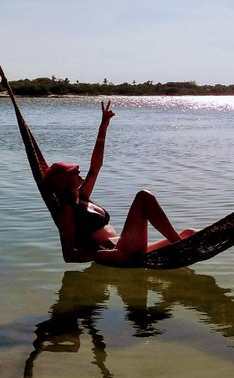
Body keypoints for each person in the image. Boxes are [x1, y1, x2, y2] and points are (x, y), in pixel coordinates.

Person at [43, 101, 197, 265]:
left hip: (124, 244)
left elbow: (96, 165)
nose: (78, 171)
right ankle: (179, 245)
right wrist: (104, 255)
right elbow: (69, 256)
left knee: (191, 233)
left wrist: (103, 127)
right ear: (65, 182)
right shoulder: (67, 211)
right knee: (143, 197)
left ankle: (182, 243)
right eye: (73, 172)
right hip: (117, 254)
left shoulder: (82, 196)